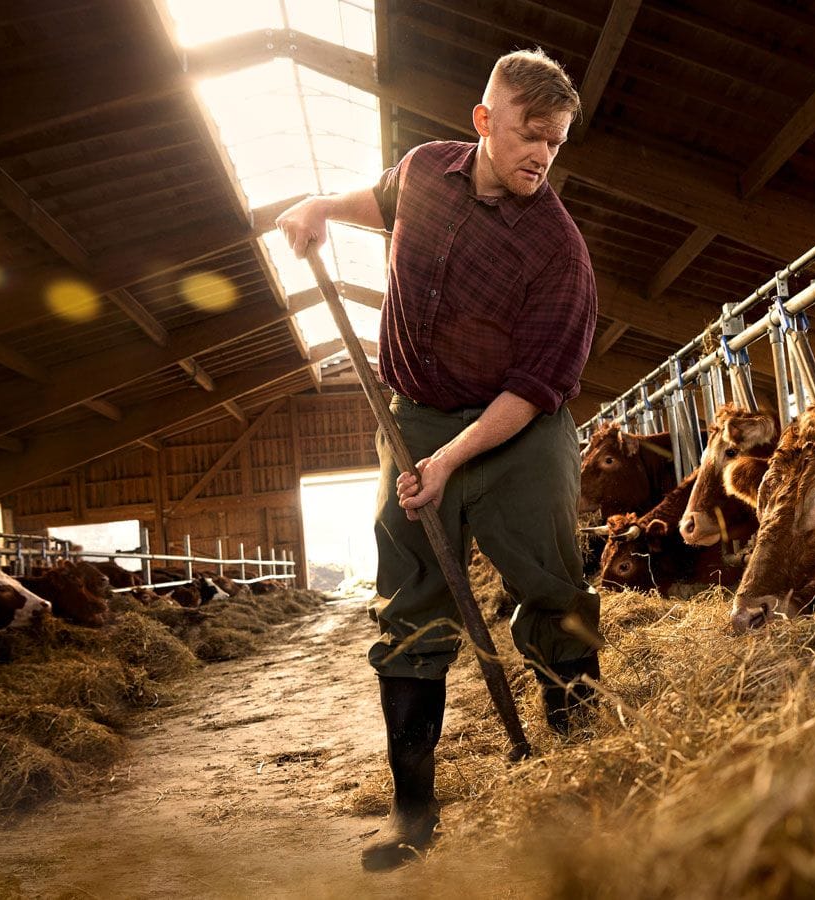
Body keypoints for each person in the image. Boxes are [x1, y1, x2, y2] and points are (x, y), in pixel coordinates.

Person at [276, 48, 601, 871]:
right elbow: (379, 199)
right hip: (414, 416)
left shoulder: (558, 251)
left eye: (556, 144)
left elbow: (535, 388)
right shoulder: (424, 171)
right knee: (411, 599)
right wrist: (318, 204)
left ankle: (585, 774)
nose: (541, 156)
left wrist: (453, 459)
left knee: (551, 582)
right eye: (530, 135)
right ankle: (413, 815)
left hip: (519, 431)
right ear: (484, 122)